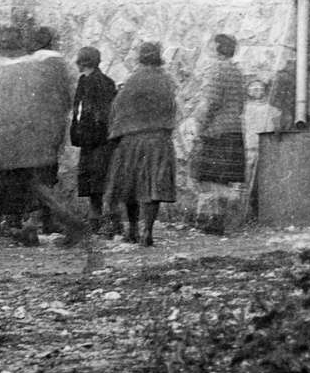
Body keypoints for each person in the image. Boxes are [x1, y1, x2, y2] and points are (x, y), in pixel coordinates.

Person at [0, 24, 77, 280]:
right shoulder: (34, 68)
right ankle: (74, 223)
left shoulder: (4, 70)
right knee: (33, 189)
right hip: (24, 150)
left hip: (2, 150)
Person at [103, 41, 178, 246]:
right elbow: (171, 108)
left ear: (140, 57)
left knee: (132, 185)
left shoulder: (133, 80)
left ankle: (133, 230)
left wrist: (117, 133)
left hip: (132, 139)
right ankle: (148, 232)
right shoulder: (167, 80)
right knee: (153, 186)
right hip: (158, 139)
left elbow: (117, 109)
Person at [191, 34, 249, 231]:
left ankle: (214, 216)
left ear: (217, 46)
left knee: (210, 179)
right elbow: (240, 104)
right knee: (222, 177)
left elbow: (209, 102)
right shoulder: (237, 71)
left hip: (216, 130)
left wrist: (199, 124)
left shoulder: (215, 69)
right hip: (233, 128)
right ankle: (217, 221)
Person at [69, 47, 117, 232]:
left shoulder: (92, 83)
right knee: (96, 177)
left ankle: (98, 217)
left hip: (95, 138)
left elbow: (91, 111)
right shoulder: (98, 81)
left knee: (96, 177)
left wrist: (83, 132)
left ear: (83, 63)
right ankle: (99, 217)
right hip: (97, 137)